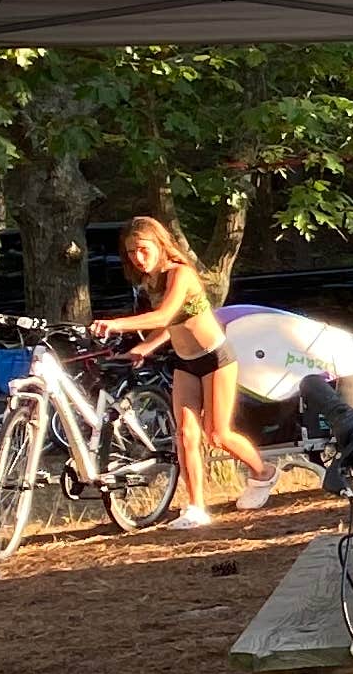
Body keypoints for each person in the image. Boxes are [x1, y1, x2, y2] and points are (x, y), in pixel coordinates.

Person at [108, 215, 273, 527]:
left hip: (216, 357)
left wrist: (116, 324)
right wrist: (142, 349)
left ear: (159, 245)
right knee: (185, 434)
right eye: (131, 252)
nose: (138, 258)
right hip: (186, 362)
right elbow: (173, 325)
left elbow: (164, 315)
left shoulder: (179, 273)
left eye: (143, 249)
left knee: (217, 435)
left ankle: (263, 474)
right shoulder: (149, 282)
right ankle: (196, 507)